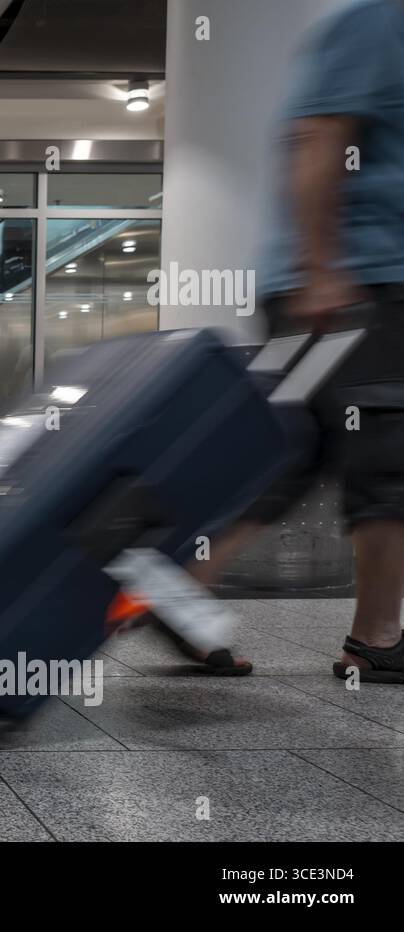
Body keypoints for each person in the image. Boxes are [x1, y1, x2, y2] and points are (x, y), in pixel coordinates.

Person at [126, 0, 404, 683]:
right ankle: (377, 639)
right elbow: (317, 137)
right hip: (358, 280)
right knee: (388, 457)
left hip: (346, 279)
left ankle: (179, 586)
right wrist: (321, 269)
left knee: (290, 452)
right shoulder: (381, 19)